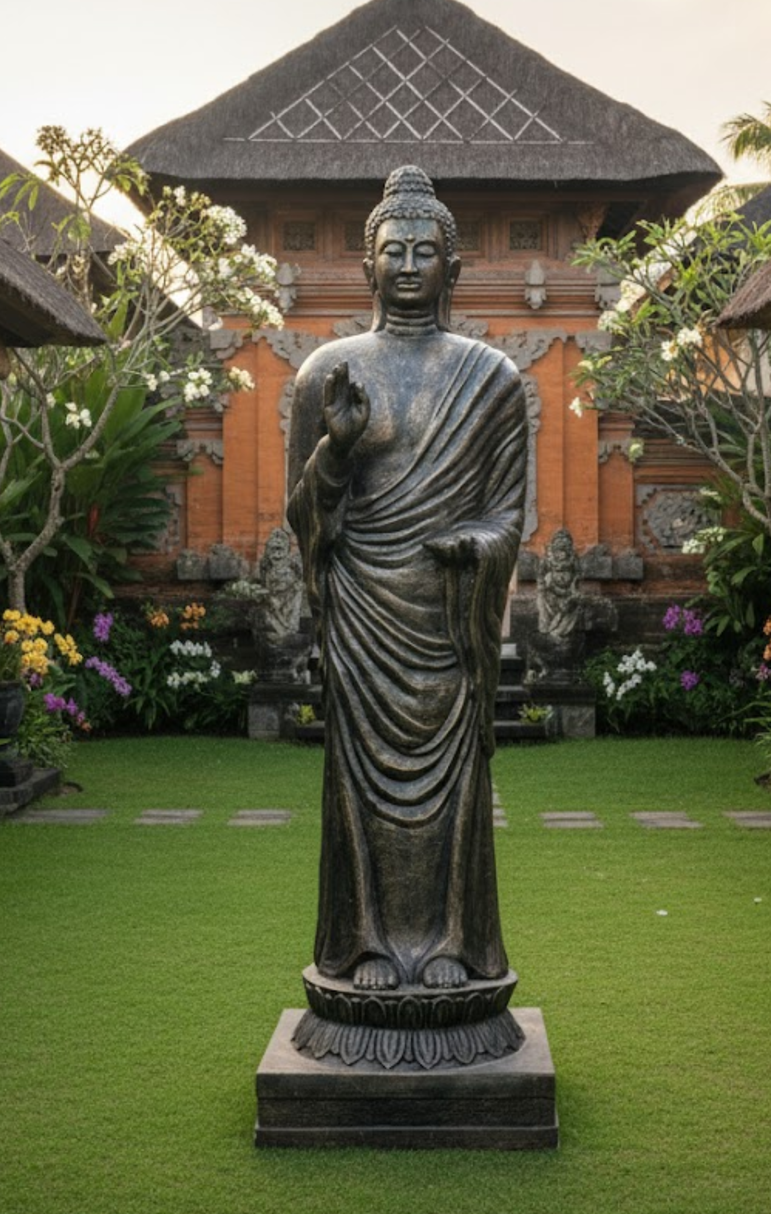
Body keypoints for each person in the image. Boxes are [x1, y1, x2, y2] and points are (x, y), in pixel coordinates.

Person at [287, 166, 527, 993]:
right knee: (359, 795)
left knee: (455, 795)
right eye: (396, 251)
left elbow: (509, 516)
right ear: (368, 267)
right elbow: (301, 520)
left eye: (429, 252)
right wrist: (336, 448)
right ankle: (362, 949)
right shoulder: (328, 373)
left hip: (446, 622)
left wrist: (475, 544)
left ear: (454, 270)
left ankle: (458, 947)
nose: (413, 265)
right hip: (361, 621)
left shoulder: (492, 379)